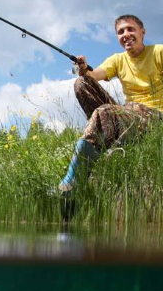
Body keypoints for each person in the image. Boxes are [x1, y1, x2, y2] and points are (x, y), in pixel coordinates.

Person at [59, 14, 163, 194]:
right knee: (81, 83)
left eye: (131, 29)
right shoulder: (118, 59)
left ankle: (74, 177)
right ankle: (102, 141)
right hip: (129, 116)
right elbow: (93, 76)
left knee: (113, 109)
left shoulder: (158, 52)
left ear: (142, 32)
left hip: (156, 117)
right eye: (121, 32)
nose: (126, 34)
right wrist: (83, 68)